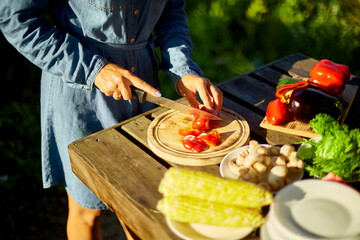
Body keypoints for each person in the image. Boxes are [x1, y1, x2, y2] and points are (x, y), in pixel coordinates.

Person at [0, 1, 223, 239]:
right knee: (87, 211)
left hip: (143, 88)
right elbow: (15, 18)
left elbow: (171, 12)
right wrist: (94, 69)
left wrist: (183, 69)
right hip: (81, 92)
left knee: (140, 204)